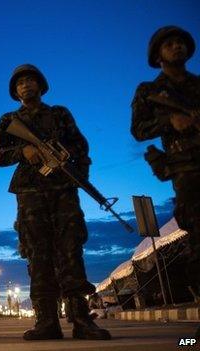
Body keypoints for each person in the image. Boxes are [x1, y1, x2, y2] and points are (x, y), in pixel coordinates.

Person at [0, 65, 110, 340]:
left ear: (41, 86)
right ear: (15, 91)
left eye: (31, 80)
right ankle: (47, 321)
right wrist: (24, 150)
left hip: (63, 190)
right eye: (20, 83)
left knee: (71, 250)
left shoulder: (59, 114)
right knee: (38, 253)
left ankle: (81, 319)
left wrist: (76, 174)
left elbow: (81, 147)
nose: (26, 85)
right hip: (30, 192)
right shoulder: (9, 119)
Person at [130, 25, 200, 338]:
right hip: (187, 169)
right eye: (169, 45)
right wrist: (169, 120)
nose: (177, 48)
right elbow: (139, 129)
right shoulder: (149, 91)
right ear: (158, 55)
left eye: (181, 43)